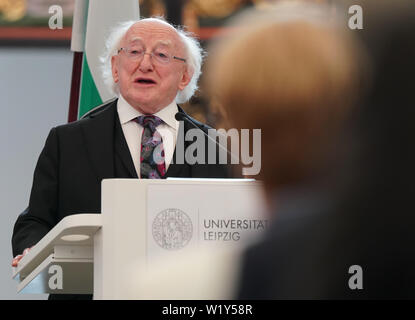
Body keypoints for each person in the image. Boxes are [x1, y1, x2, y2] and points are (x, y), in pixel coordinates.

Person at [11, 17, 230, 298]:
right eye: (134, 51)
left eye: (161, 54)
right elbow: (35, 221)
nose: (145, 64)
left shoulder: (217, 147)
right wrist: (33, 248)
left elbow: (232, 230)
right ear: (116, 68)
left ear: (185, 76)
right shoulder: (67, 142)